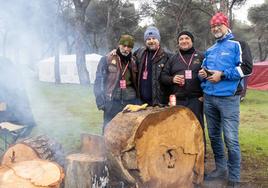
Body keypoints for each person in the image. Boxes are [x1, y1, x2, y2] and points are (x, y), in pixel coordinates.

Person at [198, 12, 253, 187]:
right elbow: (206, 71)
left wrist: (222, 75)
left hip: (229, 99)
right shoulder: (211, 49)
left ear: (226, 25)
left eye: (218, 25)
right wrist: (202, 74)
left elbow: (247, 68)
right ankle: (221, 169)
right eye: (213, 26)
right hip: (209, 98)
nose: (215, 28)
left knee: (230, 139)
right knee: (214, 136)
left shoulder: (239, 44)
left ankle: (234, 177)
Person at [160, 30, 205, 151]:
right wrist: (172, 79)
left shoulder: (201, 56)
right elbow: (163, 77)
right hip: (179, 100)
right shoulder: (173, 58)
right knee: (179, 129)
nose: (184, 41)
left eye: (187, 38)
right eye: (181, 39)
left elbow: (209, 76)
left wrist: (204, 95)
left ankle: (200, 158)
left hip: (196, 100)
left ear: (192, 41)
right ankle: (182, 158)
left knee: (197, 128)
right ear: (178, 43)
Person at [94, 34, 138, 133]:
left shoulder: (134, 61)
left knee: (126, 131)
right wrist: (100, 101)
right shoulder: (106, 59)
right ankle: (105, 148)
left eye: (129, 47)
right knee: (108, 130)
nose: (126, 49)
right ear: (119, 45)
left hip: (129, 103)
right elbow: (99, 80)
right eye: (123, 45)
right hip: (112, 102)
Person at [134, 26, 171, 106]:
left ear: (159, 40)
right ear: (145, 41)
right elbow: (126, 57)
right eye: (148, 39)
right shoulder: (139, 53)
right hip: (141, 102)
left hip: (160, 103)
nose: (151, 41)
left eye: (154, 38)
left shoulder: (167, 56)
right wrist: (116, 52)